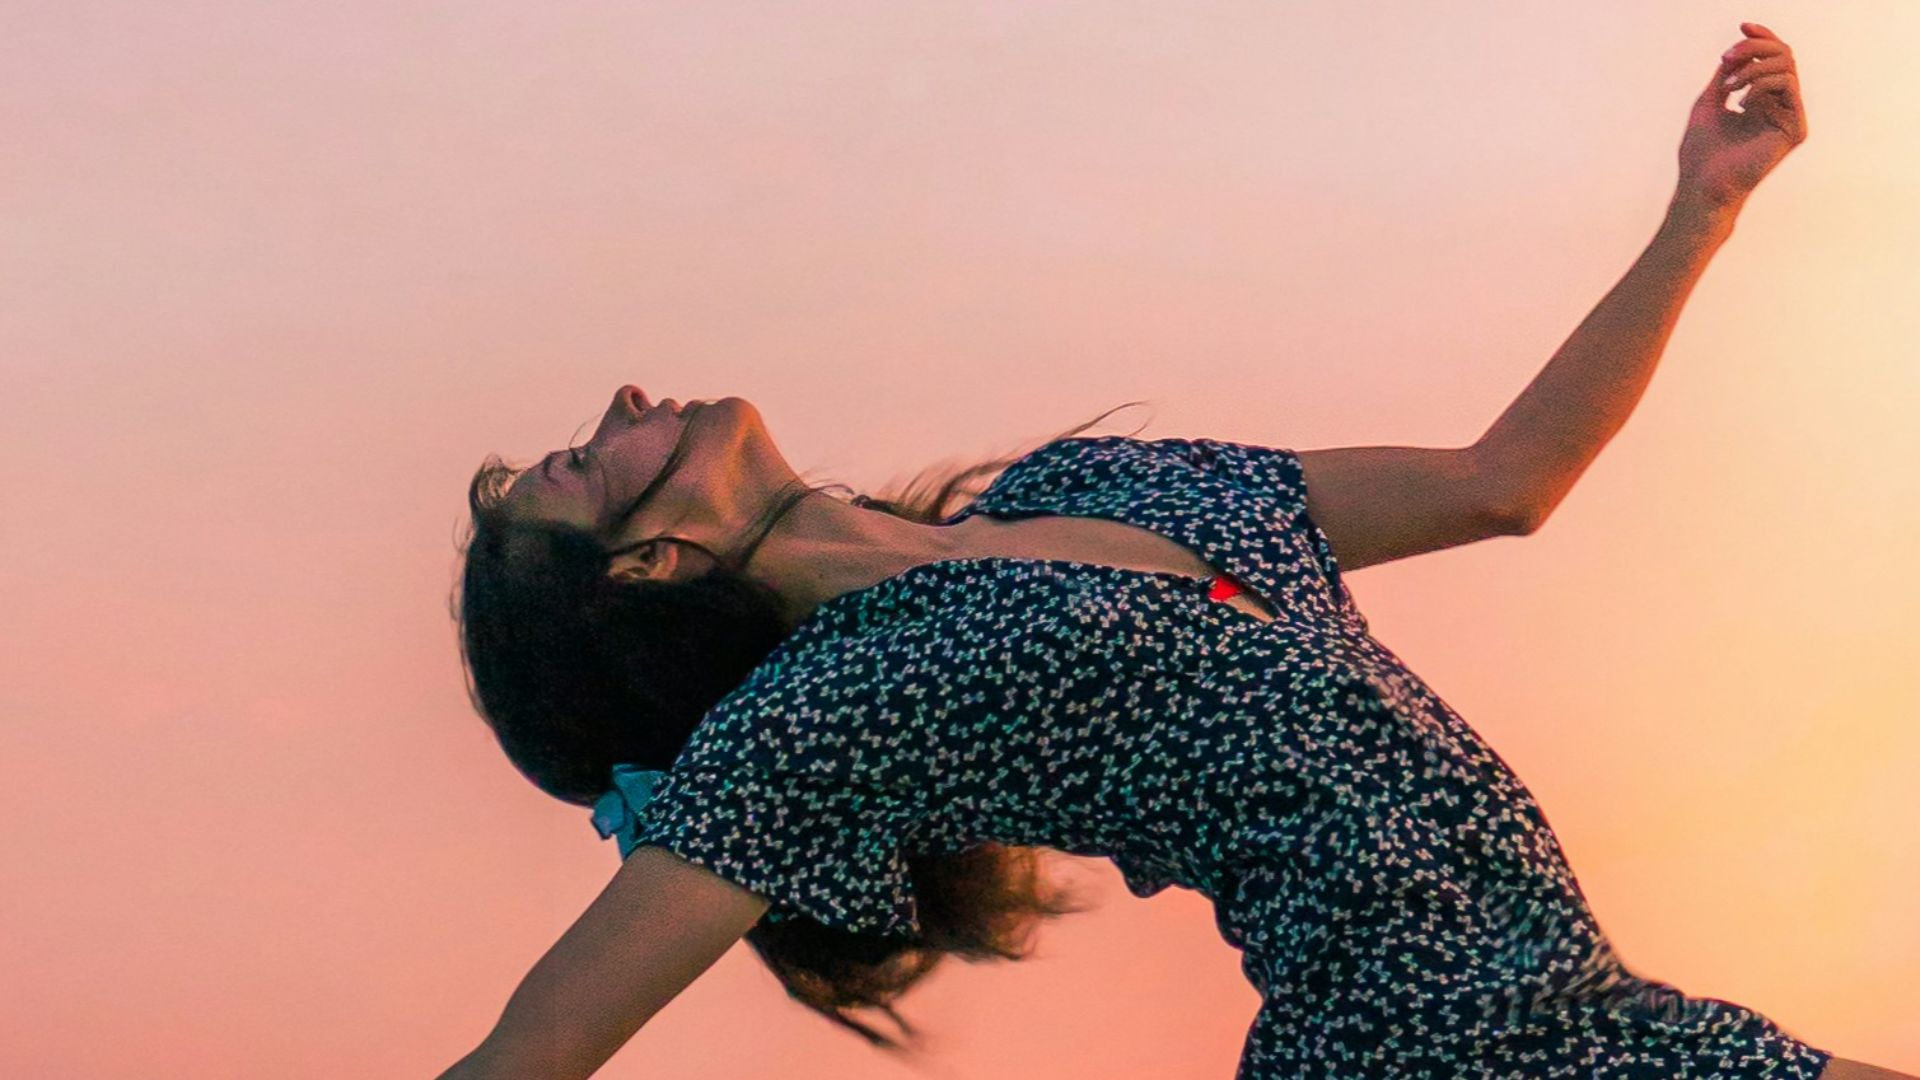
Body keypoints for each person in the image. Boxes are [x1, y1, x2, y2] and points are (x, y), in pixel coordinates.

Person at [438, 22, 1907, 1080]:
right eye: (586, 465)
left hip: (1583, 1013)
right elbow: (531, 1050)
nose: (624, 401)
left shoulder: (1102, 480)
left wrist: (1704, 208)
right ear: (645, 569)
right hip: (1420, 1045)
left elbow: (1502, 483)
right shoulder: (815, 716)